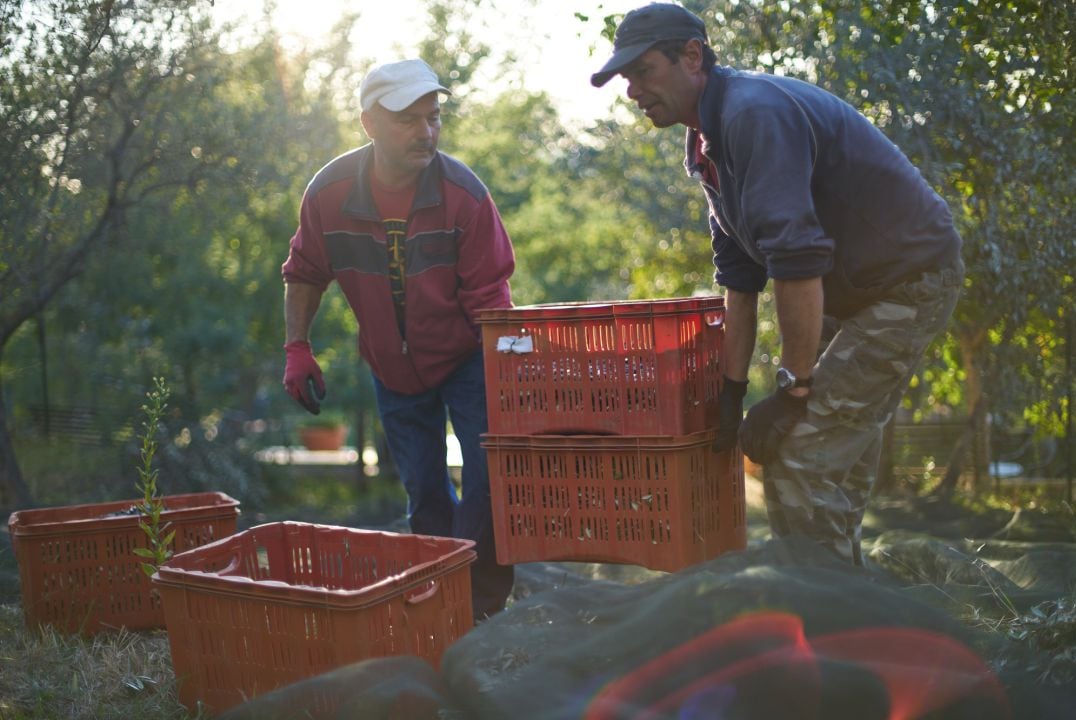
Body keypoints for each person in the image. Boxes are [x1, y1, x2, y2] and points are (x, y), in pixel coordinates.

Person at [591, 4, 963, 566]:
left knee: (799, 460)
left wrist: (793, 391)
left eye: (643, 72)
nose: (632, 92)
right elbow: (740, 277)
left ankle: (827, 620)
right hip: (857, 292)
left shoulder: (752, 114)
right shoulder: (704, 143)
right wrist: (730, 393)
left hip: (906, 283)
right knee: (831, 460)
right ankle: (851, 608)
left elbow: (796, 262)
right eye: (626, 79)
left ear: (692, 56)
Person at [281, 58, 516, 620]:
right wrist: (297, 347)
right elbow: (306, 271)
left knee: (488, 485)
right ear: (369, 123)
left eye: (433, 118)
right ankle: (445, 603)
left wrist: (509, 377)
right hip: (392, 367)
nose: (426, 132)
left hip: (467, 358)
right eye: (409, 120)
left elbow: (492, 298)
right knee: (425, 491)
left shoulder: (464, 194)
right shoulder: (330, 192)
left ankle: (483, 608)